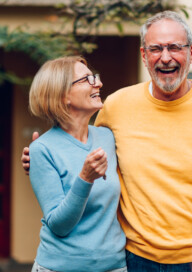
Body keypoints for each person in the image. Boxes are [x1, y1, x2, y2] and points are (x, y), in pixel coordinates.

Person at [23, 11, 192, 271]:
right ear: (144, 55)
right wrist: (38, 159)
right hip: (134, 260)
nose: (166, 56)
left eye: (175, 47)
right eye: (156, 49)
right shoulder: (116, 106)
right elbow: (78, 147)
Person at [27, 56, 127, 272]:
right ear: (63, 96)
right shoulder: (42, 150)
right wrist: (85, 178)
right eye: (86, 80)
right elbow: (59, 225)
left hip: (114, 266)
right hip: (59, 267)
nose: (98, 83)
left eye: (95, 78)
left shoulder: (108, 137)